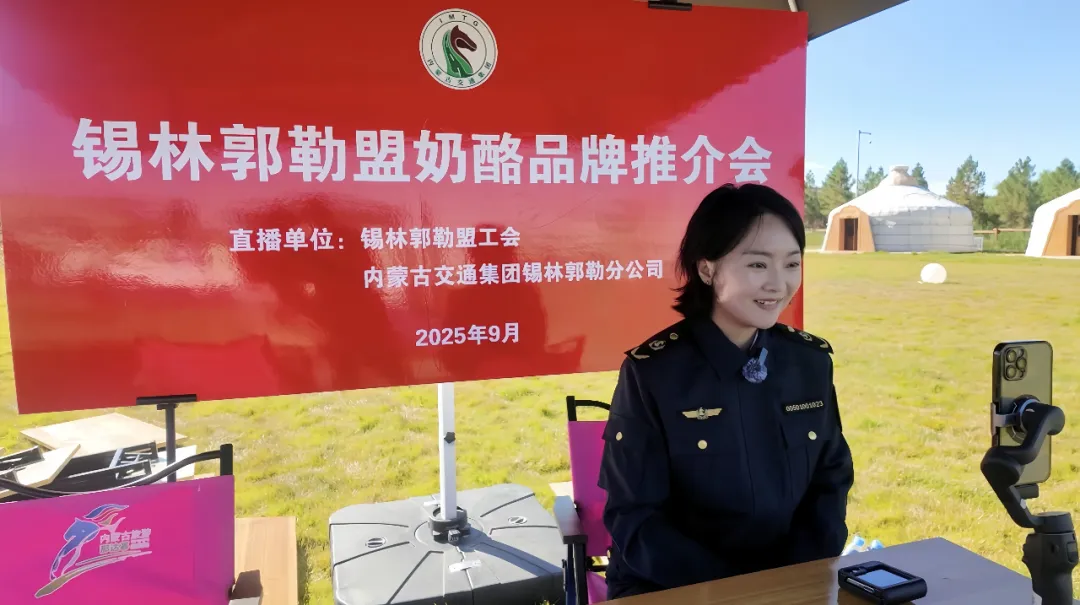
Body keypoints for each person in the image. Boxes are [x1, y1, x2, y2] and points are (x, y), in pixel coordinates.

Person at [597, 182, 855, 599]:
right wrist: (735, 592)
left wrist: (791, 579)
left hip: (788, 581)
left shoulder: (809, 362)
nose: (778, 284)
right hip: (673, 586)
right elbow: (636, 517)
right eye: (758, 265)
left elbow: (831, 480)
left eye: (792, 264)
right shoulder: (653, 372)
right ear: (707, 270)